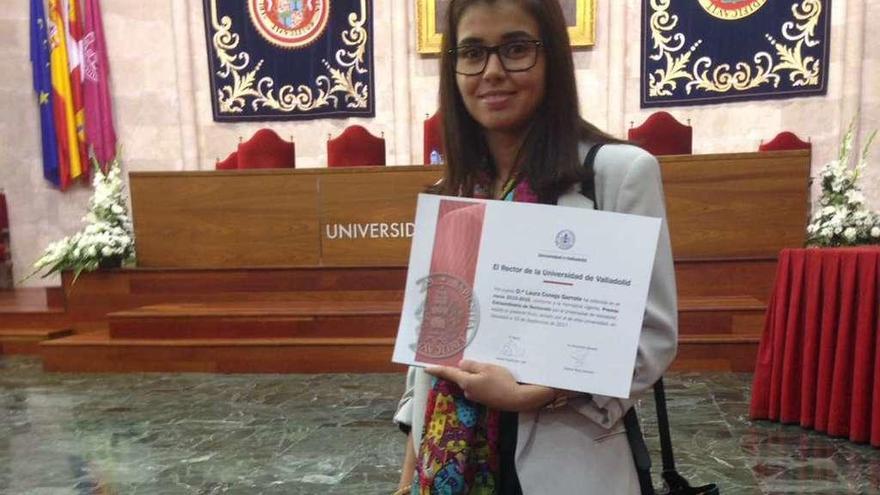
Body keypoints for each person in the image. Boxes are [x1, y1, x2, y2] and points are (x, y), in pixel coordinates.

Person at [393, 0, 678, 493]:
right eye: (473, 52)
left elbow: (650, 340)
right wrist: (408, 471)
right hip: (449, 465)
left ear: (552, 57)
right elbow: (434, 346)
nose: (493, 71)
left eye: (516, 48)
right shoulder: (455, 192)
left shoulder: (615, 174)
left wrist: (536, 394)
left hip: (565, 460)